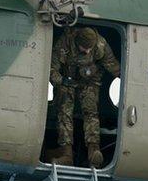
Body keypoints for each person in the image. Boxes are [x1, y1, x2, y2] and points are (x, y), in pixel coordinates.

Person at [49, 27, 120, 168]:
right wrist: (61, 81)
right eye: (84, 48)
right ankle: (66, 154)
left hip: (90, 81)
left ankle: (94, 152)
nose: (87, 51)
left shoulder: (101, 45)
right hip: (66, 80)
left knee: (91, 112)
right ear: (76, 42)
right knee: (64, 112)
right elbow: (52, 69)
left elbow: (114, 67)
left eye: (90, 48)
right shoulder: (64, 43)